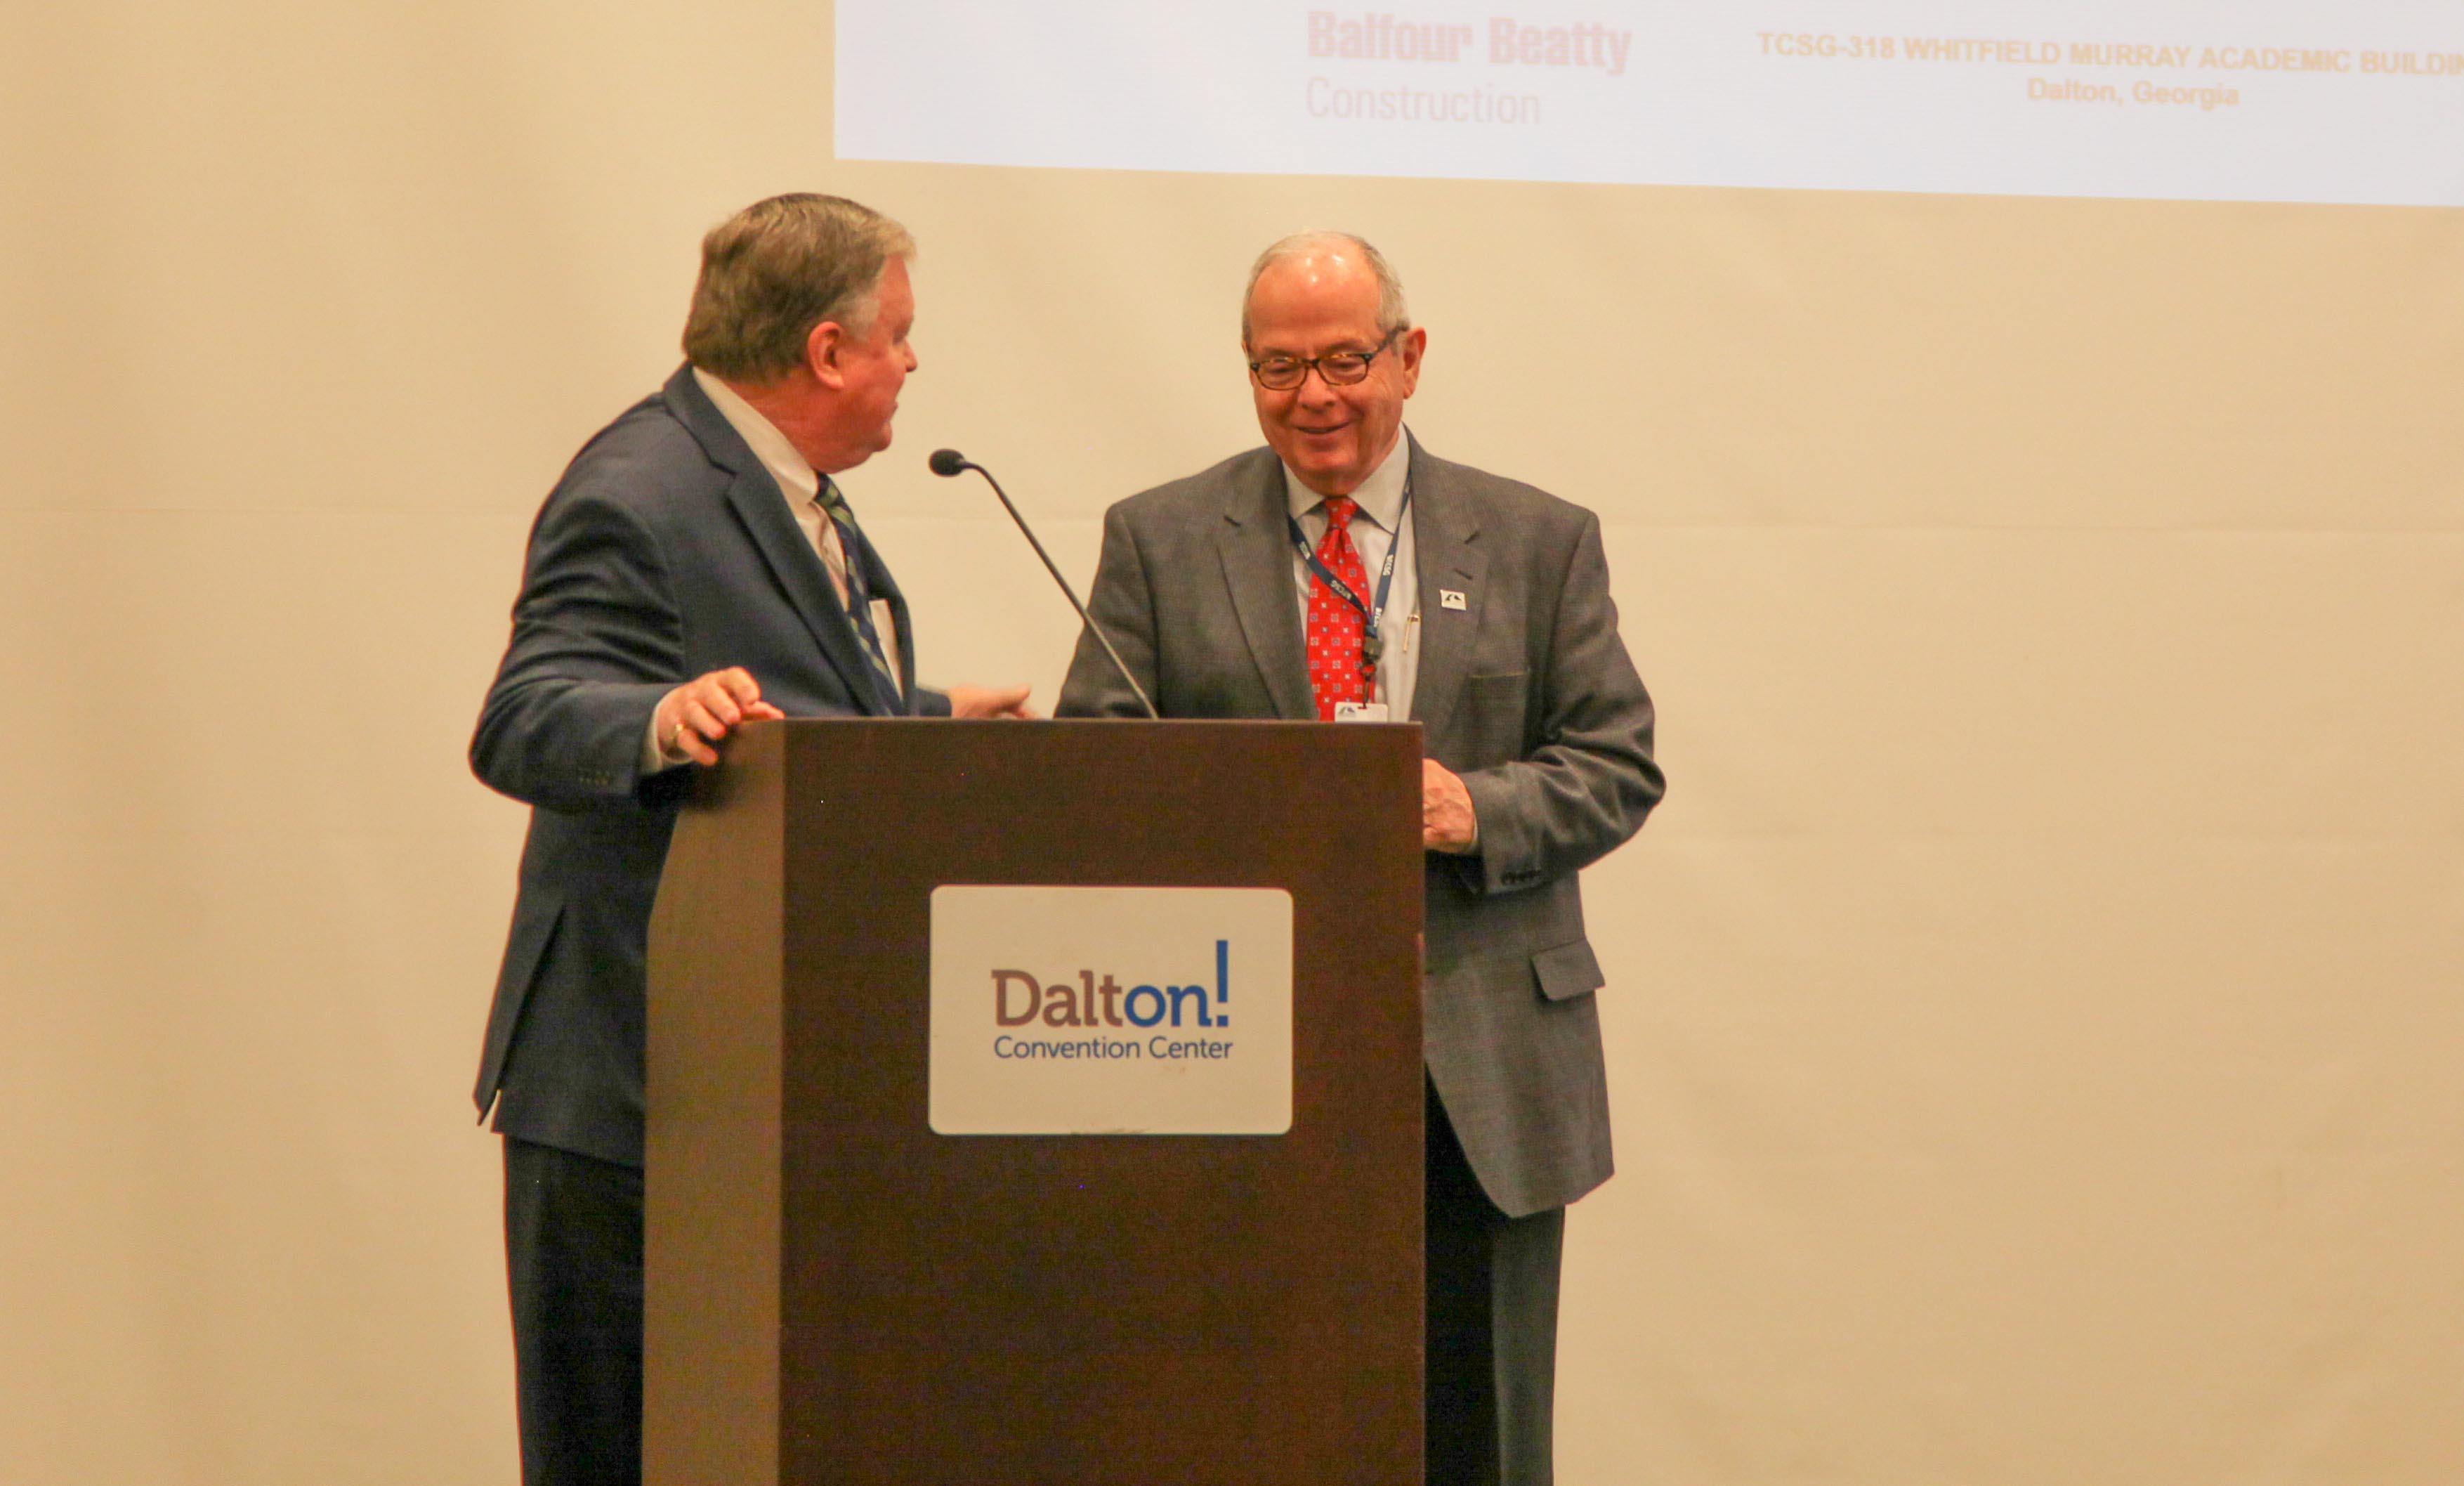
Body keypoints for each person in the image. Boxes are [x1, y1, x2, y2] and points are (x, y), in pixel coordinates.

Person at [1056, 232, 1663, 1485]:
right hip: (1228, 1050)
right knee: (1243, 1425)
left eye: (1344, 360)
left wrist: (1475, 810)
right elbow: (1096, 774)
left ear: (1411, 357)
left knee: (1479, 1439)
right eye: (1278, 369)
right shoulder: (1161, 540)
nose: (1314, 397)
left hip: (1483, 1065)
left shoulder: (1538, 539)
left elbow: (1616, 764)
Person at [468, 192, 1030, 1485]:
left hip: (752, 1086)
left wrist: (917, 717)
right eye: (897, 336)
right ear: (827, 351)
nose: (911, 364)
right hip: (634, 1091)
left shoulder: (782, 488)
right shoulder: (645, 485)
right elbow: (525, 716)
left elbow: (778, 696)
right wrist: (659, 715)